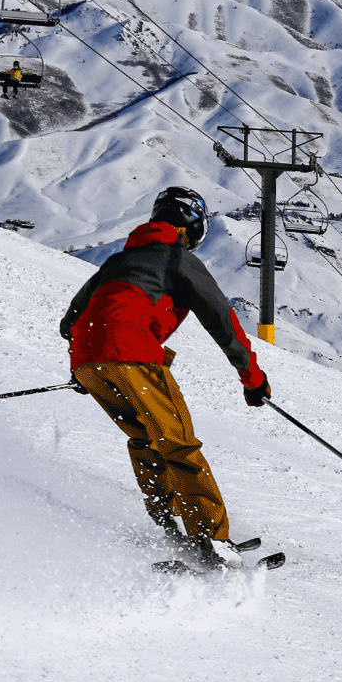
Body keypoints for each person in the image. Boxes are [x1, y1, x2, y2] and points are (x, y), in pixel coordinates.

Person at [60, 186, 271, 568]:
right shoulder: (178, 259)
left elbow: (72, 319)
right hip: (131, 357)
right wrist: (252, 378)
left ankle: (169, 522)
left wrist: (88, 366)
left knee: (145, 438)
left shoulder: (119, 260)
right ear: (193, 227)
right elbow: (224, 322)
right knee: (178, 444)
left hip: (89, 359)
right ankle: (210, 541)